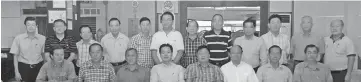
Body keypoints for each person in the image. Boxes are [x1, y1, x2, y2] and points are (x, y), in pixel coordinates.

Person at [10, 17, 46, 82]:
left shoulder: (42, 38)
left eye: (33, 24)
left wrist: (44, 71)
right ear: (25, 26)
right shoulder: (18, 38)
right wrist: (16, 72)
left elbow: (44, 55)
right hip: (23, 68)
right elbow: (15, 56)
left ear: (36, 26)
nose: (31, 27)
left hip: (38, 67)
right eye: (28, 24)